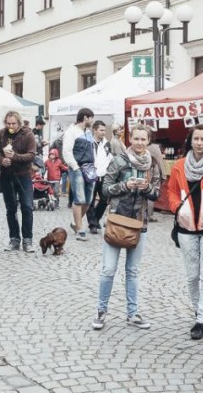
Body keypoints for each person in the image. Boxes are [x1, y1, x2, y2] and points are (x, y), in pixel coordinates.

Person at [92, 123, 161, 331]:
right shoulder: (119, 161)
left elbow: (156, 194)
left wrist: (146, 187)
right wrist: (125, 186)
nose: (140, 143)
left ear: (148, 141)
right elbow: (104, 191)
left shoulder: (153, 165)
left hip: (140, 224)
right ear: (131, 139)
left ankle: (133, 313)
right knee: (108, 269)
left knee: (132, 271)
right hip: (117, 220)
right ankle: (101, 312)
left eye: (143, 139)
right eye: (136, 138)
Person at [167, 124, 203, 340]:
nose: (199, 143)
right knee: (192, 276)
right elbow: (171, 190)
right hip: (187, 227)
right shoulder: (180, 166)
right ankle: (198, 309)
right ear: (190, 141)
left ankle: (202, 318)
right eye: (196, 138)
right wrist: (177, 208)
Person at [0, 111, 37, 252]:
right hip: (7, 175)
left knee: (27, 207)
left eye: (13, 123)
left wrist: (15, 157)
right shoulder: (1, 134)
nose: (11, 126)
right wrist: (1, 160)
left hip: (23, 175)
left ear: (19, 123)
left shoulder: (28, 135)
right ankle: (14, 239)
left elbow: (31, 155)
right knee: (10, 209)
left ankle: (27, 240)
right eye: (8, 123)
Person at [62, 107, 95, 241]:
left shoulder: (88, 132)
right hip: (78, 168)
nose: (92, 120)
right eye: (91, 118)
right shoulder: (71, 132)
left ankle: (77, 223)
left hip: (90, 168)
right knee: (79, 199)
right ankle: (80, 230)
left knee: (88, 199)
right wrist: (75, 167)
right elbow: (67, 151)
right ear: (85, 118)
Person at [87, 120, 113, 233]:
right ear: (95, 130)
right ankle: (92, 224)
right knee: (90, 200)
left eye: (104, 130)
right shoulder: (88, 142)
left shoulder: (107, 144)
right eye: (101, 130)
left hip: (103, 175)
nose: (103, 132)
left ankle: (96, 219)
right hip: (91, 175)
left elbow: (110, 158)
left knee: (104, 199)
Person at [145, 141, 167, 222]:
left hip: (145, 170)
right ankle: (149, 215)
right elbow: (159, 161)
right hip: (153, 170)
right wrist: (163, 174)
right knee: (152, 191)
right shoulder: (155, 147)